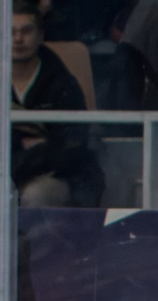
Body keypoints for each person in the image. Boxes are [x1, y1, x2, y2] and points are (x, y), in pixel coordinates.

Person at [9, 0, 100, 209]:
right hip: (9, 174)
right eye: (11, 32)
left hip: (58, 176)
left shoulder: (63, 83)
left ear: (41, 35)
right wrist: (25, 144)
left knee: (36, 195)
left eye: (26, 31)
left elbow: (72, 145)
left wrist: (24, 156)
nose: (18, 39)